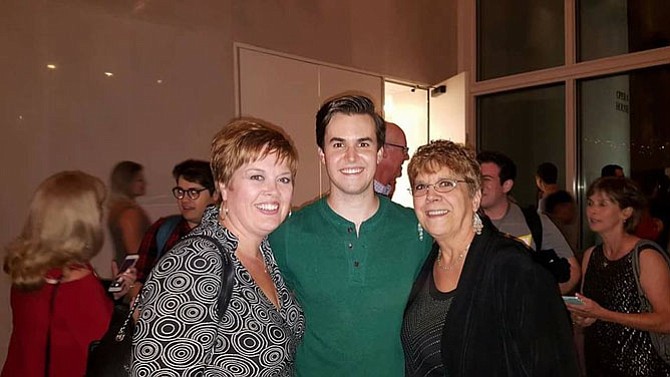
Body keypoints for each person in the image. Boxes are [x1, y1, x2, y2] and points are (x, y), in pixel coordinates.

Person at [269, 94, 432, 377]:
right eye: (338, 144)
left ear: (379, 152)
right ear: (322, 155)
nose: (351, 157)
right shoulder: (287, 234)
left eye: (363, 143)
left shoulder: (417, 230)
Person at [131, 119, 304, 376]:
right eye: (257, 176)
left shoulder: (267, 252)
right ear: (223, 184)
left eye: (284, 179)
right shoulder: (193, 264)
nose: (273, 191)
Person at [401, 140, 578, 376]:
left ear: (475, 197)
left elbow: (553, 366)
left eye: (445, 183)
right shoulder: (426, 261)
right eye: (421, 187)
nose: (431, 196)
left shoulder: (513, 268)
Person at [2, 171, 136, 377]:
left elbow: (58, 322)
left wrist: (112, 295)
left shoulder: (28, 267)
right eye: (97, 208)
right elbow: (109, 349)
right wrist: (135, 308)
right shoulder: (78, 281)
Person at [566, 177, 670, 376]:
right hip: (599, 363)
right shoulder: (591, 256)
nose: (592, 211)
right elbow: (590, 313)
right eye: (590, 203)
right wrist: (581, 317)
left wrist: (602, 313)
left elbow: (666, 320)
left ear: (626, 212)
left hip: (642, 367)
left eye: (602, 204)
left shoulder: (645, 256)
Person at [477, 151, 581, 294]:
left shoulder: (533, 222)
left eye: (486, 179)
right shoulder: (463, 223)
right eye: (475, 179)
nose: (479, 185)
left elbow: (573, 270)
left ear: (506, 185)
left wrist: (542, 300)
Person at [134, 159, 218, 285]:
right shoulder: (163, 229)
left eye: (193, 192)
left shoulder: (230, 235)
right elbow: (139, 279)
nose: (184, 199)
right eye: (180, 192)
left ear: (215, 194)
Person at [107, 161, 151, 263]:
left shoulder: (116, 209)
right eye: (139, 180)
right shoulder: (129, 213)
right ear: (127, 182)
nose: (144, 183)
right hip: (133, 274)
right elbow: (136, 253)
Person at [374, 121, 410, 198]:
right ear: (383, 150)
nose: (407, 157)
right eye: (403, 150)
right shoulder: (359, 194)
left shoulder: (383, 194)